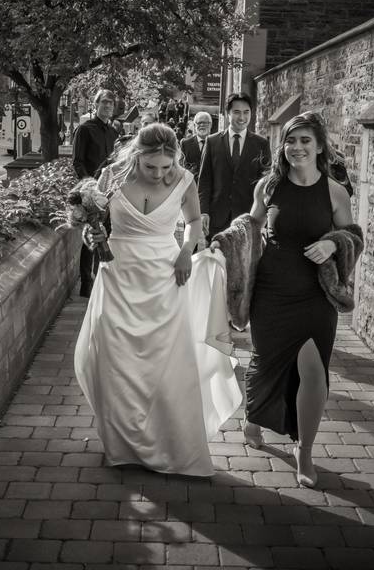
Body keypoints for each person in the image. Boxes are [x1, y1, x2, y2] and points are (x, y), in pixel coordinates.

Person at [75, 123, 242, 476]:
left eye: (166, 167)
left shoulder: (183, 180)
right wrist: (91, 236)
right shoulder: (112, 176)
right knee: (115, 362)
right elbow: (94, 225)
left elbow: (194, 220)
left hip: (167, 278)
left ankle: (168, 444)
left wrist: (186, 251)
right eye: (151, 167)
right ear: (136, 156)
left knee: (164, 366)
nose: (159, 173)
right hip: (118, 275)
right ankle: (121, 447)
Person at [228, 111, 354, 489]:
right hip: (271, 290)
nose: (297, 147)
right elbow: (248, 230)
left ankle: (305, 450)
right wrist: (225, 242)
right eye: (291, 140)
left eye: (305, 141)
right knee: (267, 364)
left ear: (319, 146)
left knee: (314, 371)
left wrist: (333, 242)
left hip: (315, 292)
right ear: (282, 146)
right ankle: (254, 417)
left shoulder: (335, 191)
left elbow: (353, 237)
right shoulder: (268, 187)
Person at [197, 93, 271, 241]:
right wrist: (203, 211)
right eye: (237, 112)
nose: (242, 117)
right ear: (228, 113)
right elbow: (204, 179)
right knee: (215, 261)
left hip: (248, 219)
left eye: (246, 112)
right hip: (216, 218)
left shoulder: (261, 144)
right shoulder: (213, 141)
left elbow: (266, 183)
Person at [71, 89, 118, 297]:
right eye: (104, 102)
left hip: (109, 193)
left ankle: (101, 279)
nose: (108, 106)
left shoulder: (114, 132)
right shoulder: (84, 129)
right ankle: (87, 285)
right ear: (96, 104)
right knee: (90, 237)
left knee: (105, 234)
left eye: (111, 103)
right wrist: (89, 187)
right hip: (91, 192)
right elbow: (77, 162)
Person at [180, 111, 212, 182]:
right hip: (191, 185)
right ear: (194, 126)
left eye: (205, 123)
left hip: (211, 187)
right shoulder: (185, 143)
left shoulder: (218, 143)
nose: (202, 125)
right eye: (199, 123)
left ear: (210, 125)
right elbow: (181, 166)